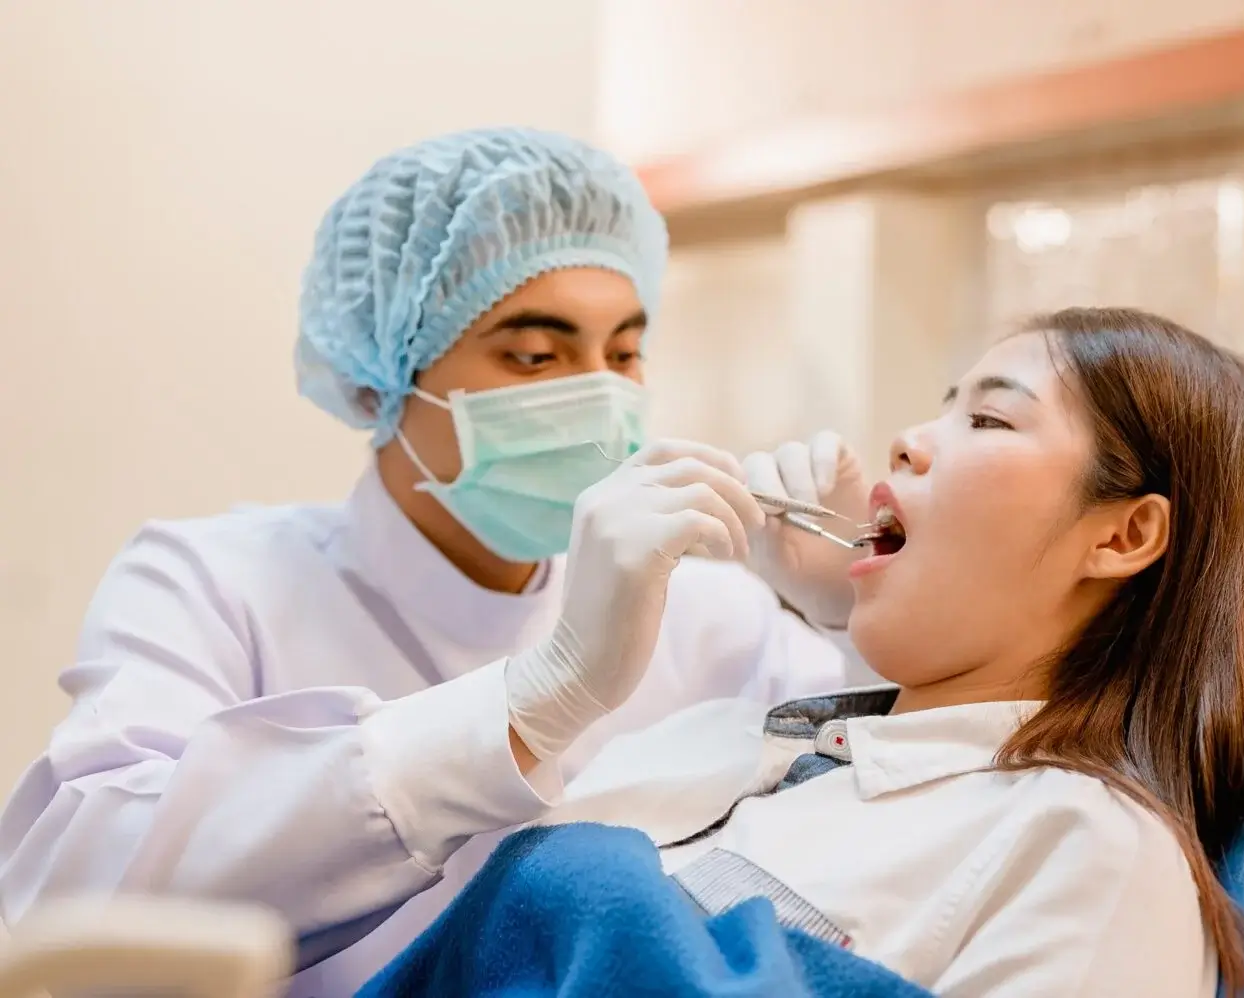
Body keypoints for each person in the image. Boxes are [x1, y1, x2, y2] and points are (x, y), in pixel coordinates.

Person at [0, 128, 874, 996]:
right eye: (536, 355)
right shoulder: (213, 583)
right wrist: (535, 701)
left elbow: (914, 800)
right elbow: (65, 897)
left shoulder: (711, 613)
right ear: (381, 376)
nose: (602, 397)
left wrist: (853, 615)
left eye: (623, 353)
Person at [452, 307, 1244, 997]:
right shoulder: (733, 739)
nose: (908, 438)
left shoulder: (1085, 847)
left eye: (988, 417)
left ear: (1125, 534)